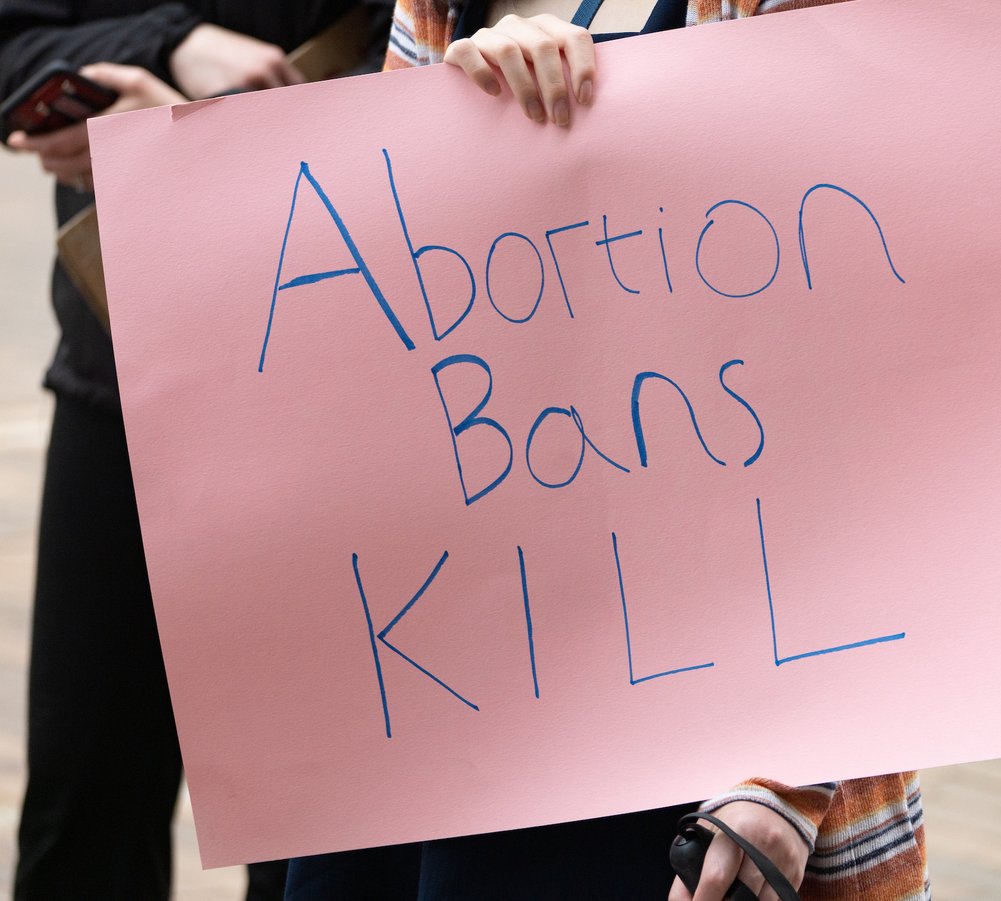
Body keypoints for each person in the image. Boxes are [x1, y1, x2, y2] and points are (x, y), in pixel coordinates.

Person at [287, 1, 930, 899]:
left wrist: (792, 770)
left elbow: (888, 386)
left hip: (701, 753)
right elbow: (388, 330)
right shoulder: (436, 7)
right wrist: (457, 115)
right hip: (450, 712)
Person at [0, 3, 392, 898]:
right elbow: (16, 38)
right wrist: (164, 47)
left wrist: (217, 141)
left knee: (314, 832)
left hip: (356, 402)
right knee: (81, 822)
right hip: (126, 379)